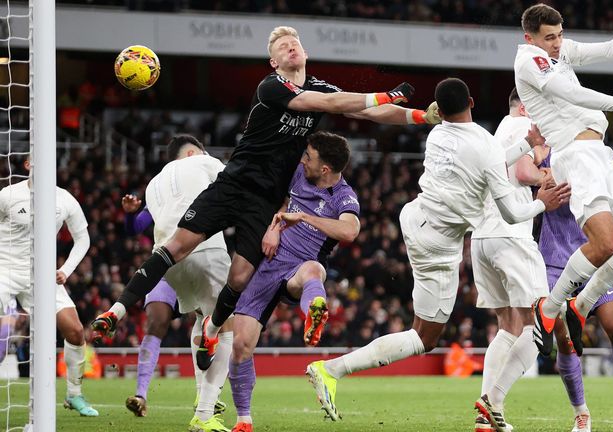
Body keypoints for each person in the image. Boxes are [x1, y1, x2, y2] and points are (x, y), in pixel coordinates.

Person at [90, 25, 437, 365]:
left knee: (239, 278)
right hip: (233, 185)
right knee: (176, 247)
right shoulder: (272, 87)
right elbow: (327, 103)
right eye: (282, 46)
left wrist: (420, 115)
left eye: (294, 42)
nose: (290, 47)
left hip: (265, 201)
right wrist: (384, 93)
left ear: (305, 52)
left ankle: (210, 331)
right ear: (274, 63)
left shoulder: (319, 86)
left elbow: (366, 111)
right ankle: (116, 311)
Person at [304, 78, 570, 422]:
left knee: (427, 327)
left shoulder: (438, 134)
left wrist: (524, 144)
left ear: (440, 111)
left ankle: (334, 371)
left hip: (416, 218)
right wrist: (541, 205)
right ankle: (332, 370)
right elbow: (512, 211)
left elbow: (489, 159)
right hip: (438, 243)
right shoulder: (482, 143)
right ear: (472, 100)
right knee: (424, 337)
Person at [513, 4, 613, 357]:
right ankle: (551, 307)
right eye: (549, 38)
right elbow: (570, 93)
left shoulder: (559, 51)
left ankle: (580, 306)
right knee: (603, 244)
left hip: (599, 154)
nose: (557, 43)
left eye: (560, 35)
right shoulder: (529, 60)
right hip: (575, 154)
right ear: (530, 39)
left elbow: (604, 51)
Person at [229, 132, 360, 432]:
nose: (303, 160)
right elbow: (280, 201)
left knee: (314, 270)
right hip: (268, 264)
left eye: (309, 157)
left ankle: (315, 308)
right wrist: (275, 224)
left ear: (325, 169)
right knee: (240, 345)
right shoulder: (299, 172)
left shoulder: (344, 196)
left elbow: (350, 231)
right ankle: (244, 420)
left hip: (300, 268)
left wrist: (303, 218)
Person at [519, 147, 613, 431]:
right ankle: (581, 412)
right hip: (555, 263)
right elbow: (526, 179)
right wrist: (543, 182)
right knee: (566, 342)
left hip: (596, 259)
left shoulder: (607, 155)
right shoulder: (543, 157)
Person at [121, 135, 235, 431]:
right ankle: (196, 405)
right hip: (186, 257)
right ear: (192, 153)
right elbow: (137, 226)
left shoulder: (158, 184)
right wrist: (130, 215)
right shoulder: (196, 169)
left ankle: (201, 396)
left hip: (168, 262)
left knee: (201, 316)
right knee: (175, 322)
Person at [471, 88, 562, 432]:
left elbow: (518, 166)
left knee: (508, 327)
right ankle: (492, 400)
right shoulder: (518, 125)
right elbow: (524, 173)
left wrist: (538, 158)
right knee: (540, 323)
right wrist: (545, 177)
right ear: (524, 106)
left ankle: (486, 417)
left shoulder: (499, 133)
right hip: (511, 236)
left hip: (484, 237)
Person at [0, 157, 97, 417]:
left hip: (42, 276)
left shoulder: (63, 199)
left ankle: (74, 395)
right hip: (5, 269)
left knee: (75, 331)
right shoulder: (8, 194)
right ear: (28, 164)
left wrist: (66, 270)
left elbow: (83, 239)